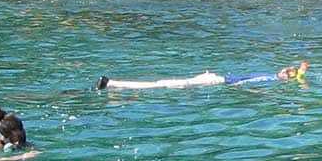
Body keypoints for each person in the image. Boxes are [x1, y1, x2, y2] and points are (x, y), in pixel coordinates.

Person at [95, 62, 308, 90]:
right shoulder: (270, 78)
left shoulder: (270, 77)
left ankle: (112, 84)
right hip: (213, 80)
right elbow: (248, 82)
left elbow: (248, 81)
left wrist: (300, 72)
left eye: (285, 72)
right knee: (158, 85)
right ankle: (110, 83)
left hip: (213, 78)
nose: (282, 72)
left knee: (160, 84)